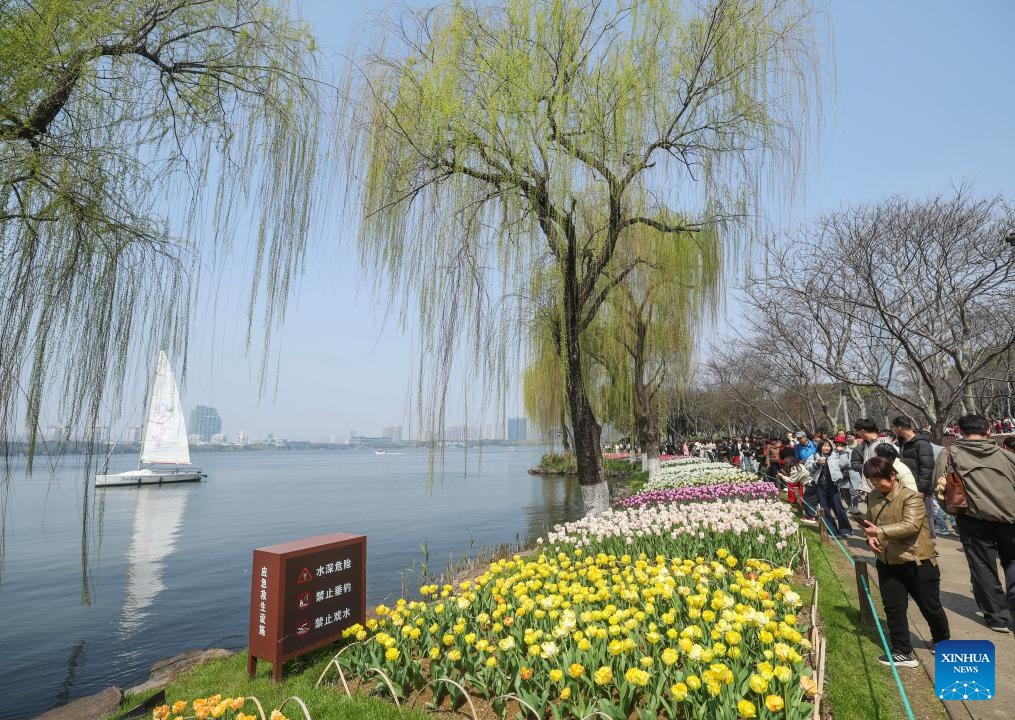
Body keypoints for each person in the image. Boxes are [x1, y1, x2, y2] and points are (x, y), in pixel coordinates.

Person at [863, 457, 950, 667]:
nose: (876, 485)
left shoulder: (911, 497)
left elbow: (910, 525)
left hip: (917, 561)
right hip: (887, 561)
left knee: (930, 607)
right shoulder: (874, 496)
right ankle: (902, 651)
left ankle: (942, 642)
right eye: (872, 481)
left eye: (879, 480)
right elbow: (870, 523)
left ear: (893, 475)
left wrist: (880, 531)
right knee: (893, 607)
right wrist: (870, 537)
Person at [934, 414, 1015, 633]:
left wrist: (954, 513)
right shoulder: (1006, 456)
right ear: (988, 430)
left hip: (972, 521)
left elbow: (940, 491)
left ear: (959, 431)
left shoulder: (949, 455)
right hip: (1010, 520)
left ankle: (997, 617)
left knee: (982, 568)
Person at [805, 440, 853, 537]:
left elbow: (845, 463)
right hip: (820, 485)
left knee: (838, 507)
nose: (827, 448)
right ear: (820, 447)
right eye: (824, 446)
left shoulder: (835, 455)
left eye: (828, 446)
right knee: (824, 508)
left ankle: (845, 530)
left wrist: (842, 452)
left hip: (833, 484)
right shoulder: (814, 456)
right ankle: (832, 530)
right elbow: (808, 467)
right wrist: (817, 463)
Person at [850, 419, 891, 497]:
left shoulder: (882, 444)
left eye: (857, 431)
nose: (857, 434)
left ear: (862, 430)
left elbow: (886, 467)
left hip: (882, 488)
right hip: (873, 487)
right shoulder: (868, 443)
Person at [778, 447, 815, 523]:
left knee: (807, 500)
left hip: (811, 484)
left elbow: (792, 480)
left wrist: (782, 476)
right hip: (813, 482)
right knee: (811, 500)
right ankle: (811, 515)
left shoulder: (795, 469)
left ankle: (811, 517)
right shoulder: (798, 465)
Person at [833, 434, 861, 508]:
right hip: (841, 473)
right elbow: (838, 465)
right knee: (845, 491)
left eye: (840, 443)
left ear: (844, 444)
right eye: (836, 443)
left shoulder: (851, 451)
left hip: (852, 472)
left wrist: (842, 453)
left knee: (854, 491)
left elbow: (848, 462)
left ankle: (855, 507)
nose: (838, 445)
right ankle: (849, 506)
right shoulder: (833, 453)